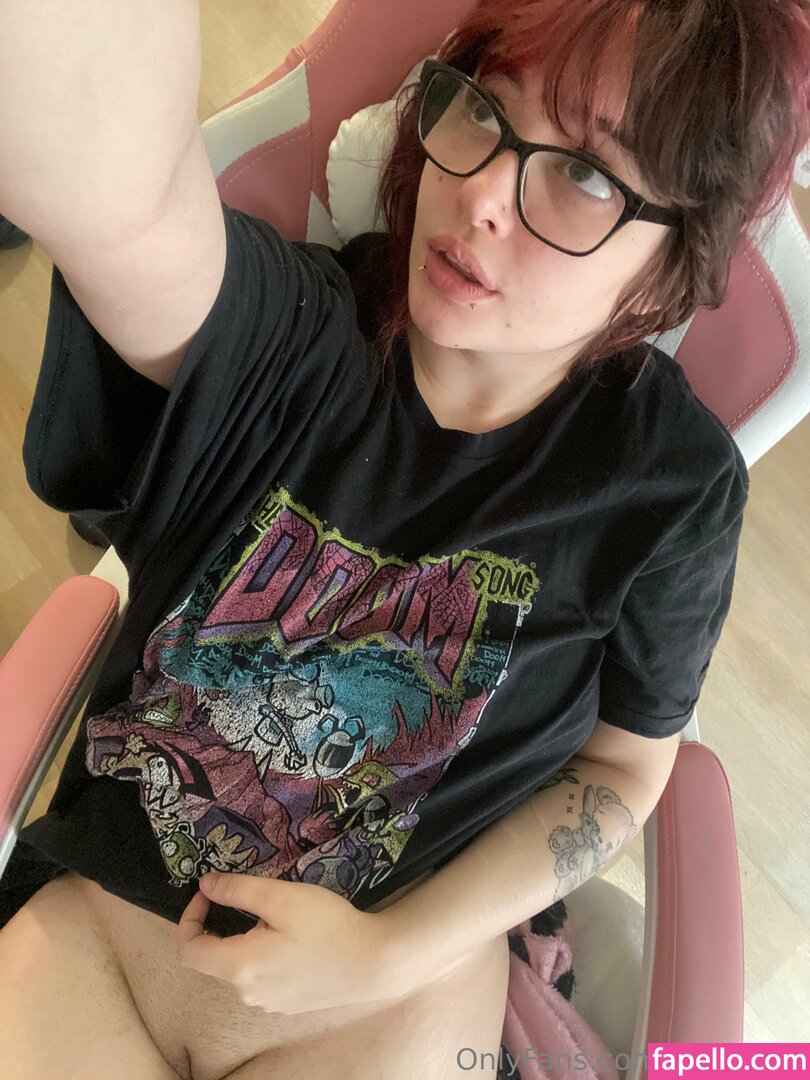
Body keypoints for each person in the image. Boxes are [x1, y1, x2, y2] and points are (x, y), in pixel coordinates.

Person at [0, 0, 808, 1077]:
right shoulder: (292, 339)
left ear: (670, 266)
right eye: (483, 108)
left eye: (586, 174)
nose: (481, 194)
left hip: (386, 1010)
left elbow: (625, 764)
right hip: (104, 952)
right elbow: (126, 210)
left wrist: (388, 953)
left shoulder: (669, 493)